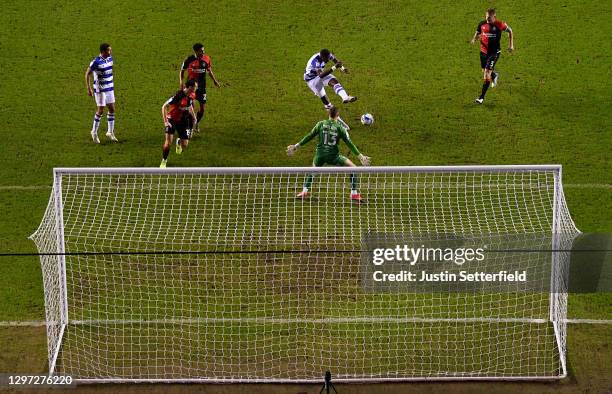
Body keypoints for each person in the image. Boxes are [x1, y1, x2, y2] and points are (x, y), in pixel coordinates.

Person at [286, 106, 371, 203]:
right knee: (353, 168)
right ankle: (354, 194)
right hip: (333, 156)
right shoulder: (340, 128)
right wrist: (360, 156)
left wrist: (296, 146)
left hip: (320, 155)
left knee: (313, 171)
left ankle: (304, 192)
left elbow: (309, 136)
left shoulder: (320, 124)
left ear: (329, 114)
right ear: (337, 116)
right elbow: (349, 143)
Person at [470, 8, 514, 104]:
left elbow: (510, 31)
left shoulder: (499, 24)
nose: (487, 19)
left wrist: (511, 45)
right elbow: (478, 32)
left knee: (486, 73)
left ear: (494, 17)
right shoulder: (482, 24)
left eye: (489, 18)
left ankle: (481, 98)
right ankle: (495, 75)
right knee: (484, 70)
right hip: (483, 52)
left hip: (494, 53)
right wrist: (474, 39)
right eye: (486, 17)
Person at [304, 49, 356, 129]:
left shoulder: (328, 55)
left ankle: (345, 97)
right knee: (327, 103)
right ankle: (337, 122)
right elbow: (321, 75)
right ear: (322, 57)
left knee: (334, 81)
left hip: (320, 76)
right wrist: (335, 67)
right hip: (312, 81)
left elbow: (336, 61)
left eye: (328, 58)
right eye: (326, 59)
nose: (327, 60)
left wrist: (342, 68)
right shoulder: (316, 62)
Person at [180, 43, 220, 132]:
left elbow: (209, 70)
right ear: (196, 51)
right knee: (191, 107)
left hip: (202, 87)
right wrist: (181, 83)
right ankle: (189, 126)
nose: (203, 52)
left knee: (202, 109)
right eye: (201, 51)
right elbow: (182, 71)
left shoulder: (206, 58)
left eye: (203, 50)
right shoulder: (189, 59)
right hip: (191, 87)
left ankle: (197, 122)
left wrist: (215, 80)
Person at [160, 80, 198, 168]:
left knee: (185, 144)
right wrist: (166, 122)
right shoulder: (178, 96)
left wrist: (194, 117)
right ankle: (164, 160)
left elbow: (189, 106)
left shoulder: (192, 95)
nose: (196, 88)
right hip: (171, 120)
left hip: (183, 121)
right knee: (168, 142)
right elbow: (164, 107)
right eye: (195, 87)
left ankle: (179, 142)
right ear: (189, 87)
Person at [85, 43, 118, 143]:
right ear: (103, 51)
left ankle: (110, 132)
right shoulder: (96, 62)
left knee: (112, 109)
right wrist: (89, 88)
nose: (110, 52)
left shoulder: (110, 59)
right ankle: (94, 132)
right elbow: (87, 74)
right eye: (109, 50)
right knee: (100, 110)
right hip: (100, 89)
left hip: (109, 88)